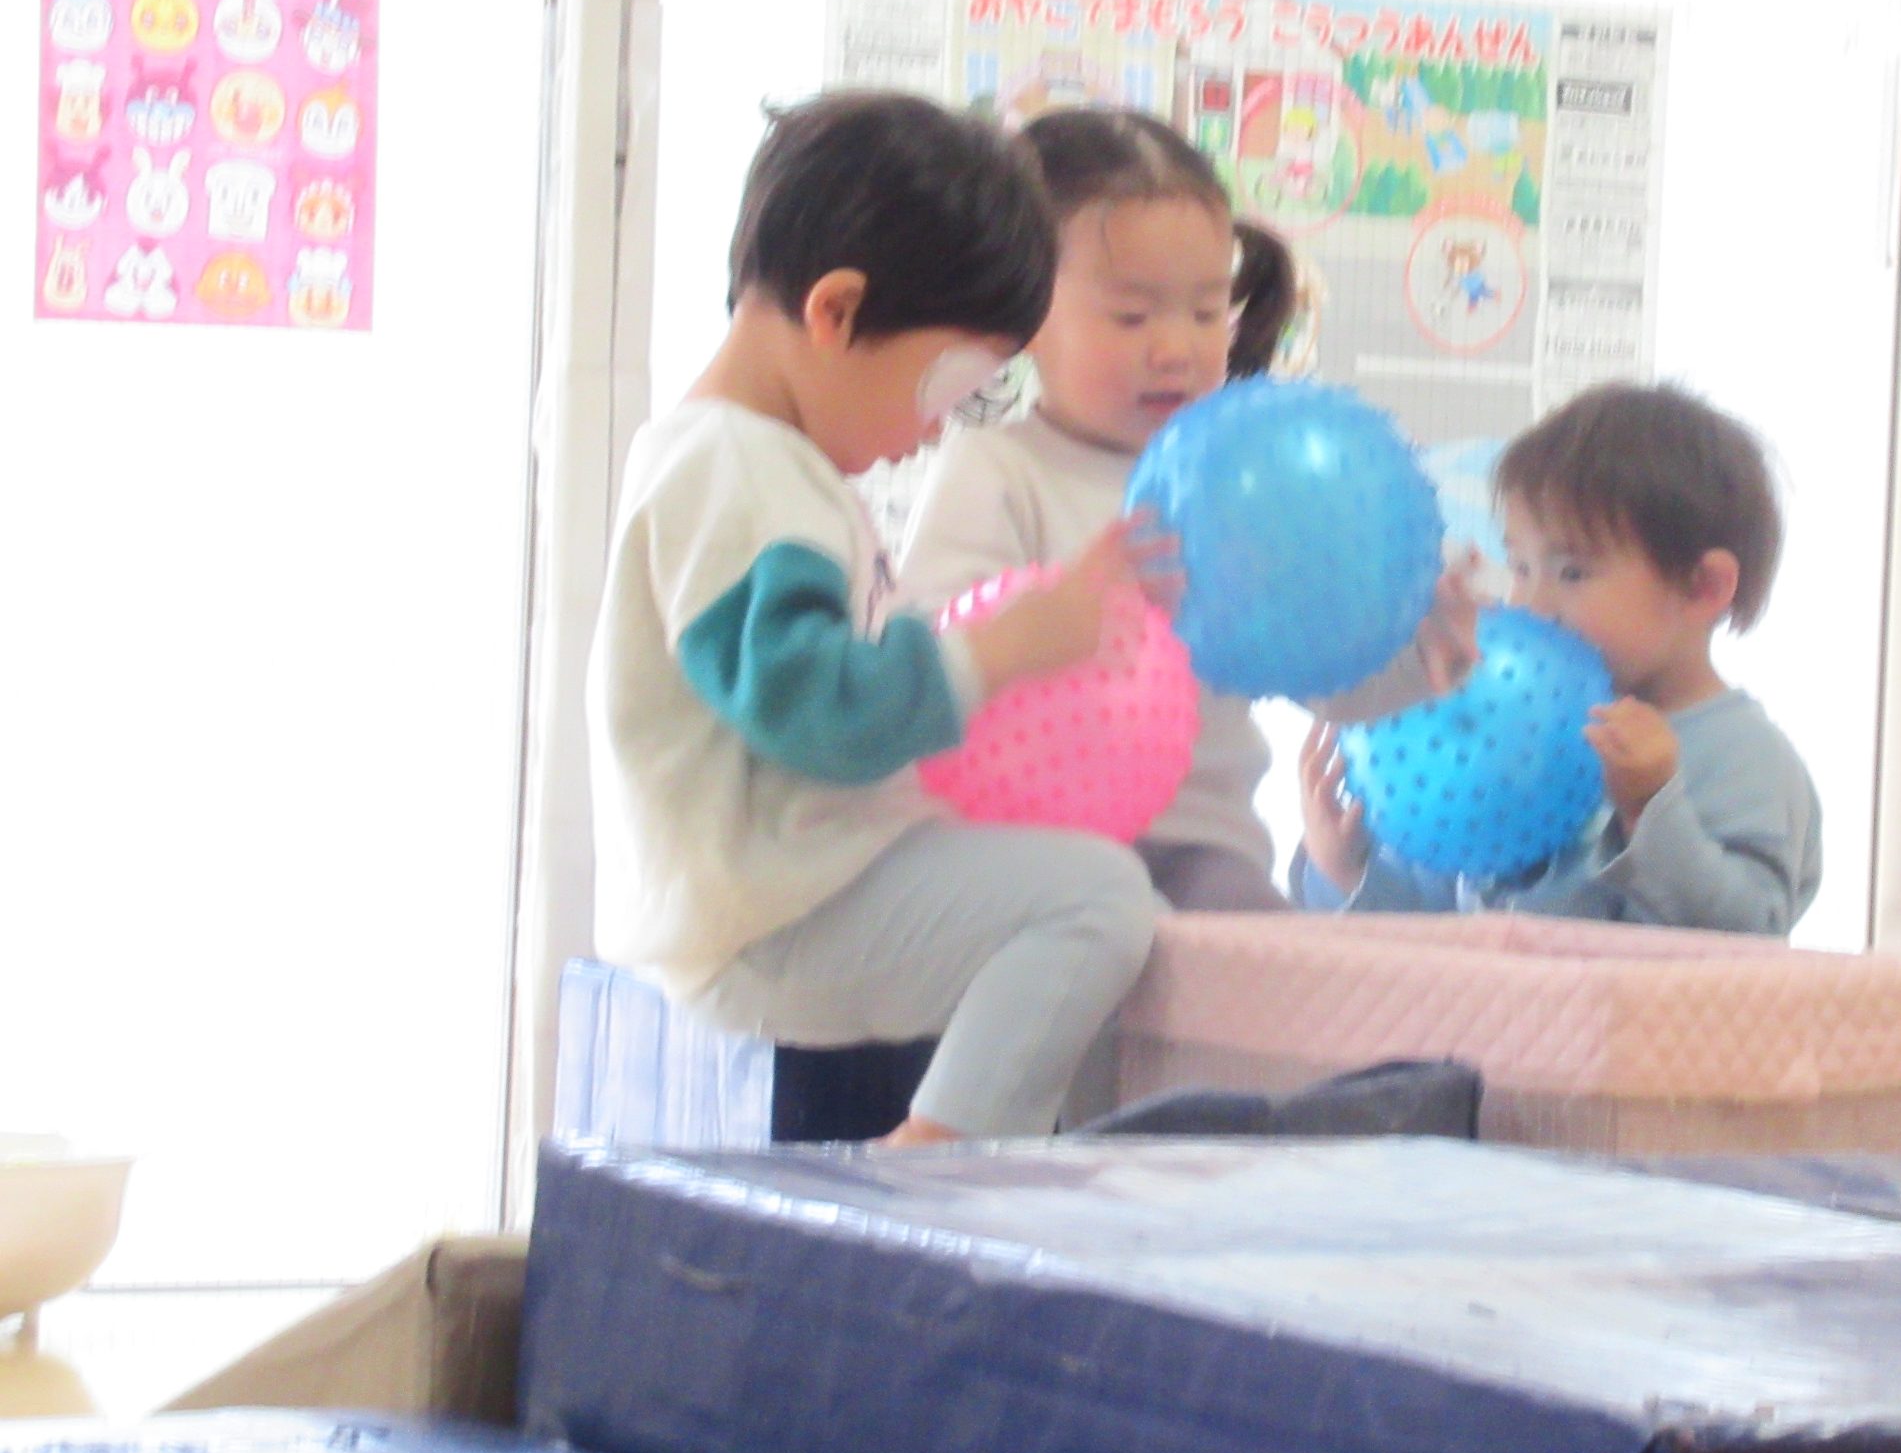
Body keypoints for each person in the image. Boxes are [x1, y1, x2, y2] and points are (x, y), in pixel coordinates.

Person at [587, 89, 1167, 1147]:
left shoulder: (746, 462)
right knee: (1095, 901)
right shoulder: (740, 471)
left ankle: (962, 1151)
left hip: (780, 896)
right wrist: (997, 652)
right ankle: (933, 1161)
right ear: (837, 312)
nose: (933, 431)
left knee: (1075, 906)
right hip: (770, 916)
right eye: (949, 386)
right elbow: (811, 707)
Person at [900, 107, 1476, 912]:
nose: (1176, 347)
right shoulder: (999, 467)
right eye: (1131, 316)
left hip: (1202, 847)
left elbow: (1323, 678)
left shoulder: (1249, 484)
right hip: (1026, 848)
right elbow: (931, 658)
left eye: (1207, 312)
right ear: (1024, 316)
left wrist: (1419, 654)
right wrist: (1085, 611)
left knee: (1265, 957)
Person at [1294, 380, 1821, 934]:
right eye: (1520, 567)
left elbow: (1750, 935)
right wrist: (1346, 869)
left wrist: (1651, 809)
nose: (1531, 606)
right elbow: (1445, 922)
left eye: (1572, 572)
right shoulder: (1514, 722)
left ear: (1702, 587)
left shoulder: (1746, 757)